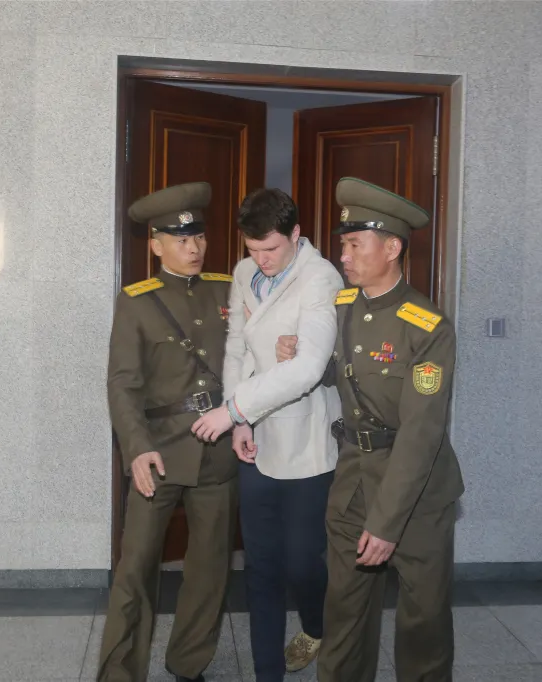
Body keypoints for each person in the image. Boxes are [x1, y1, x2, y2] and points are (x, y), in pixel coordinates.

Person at [275, 178, 464, 682]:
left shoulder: (427, 327)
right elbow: (341, 372)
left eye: (355, 244)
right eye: (344, 245)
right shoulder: (342, 307)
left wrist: (385, 524)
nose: (344, 256)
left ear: (392, 248)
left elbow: (421, 434)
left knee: (422, 621)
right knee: (344, 610)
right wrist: (301, 355)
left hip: (416, 496)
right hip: (353, 479)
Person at [190, 188, 344, 681]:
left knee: (302, 562)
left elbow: (308, 368)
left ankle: (316, 625)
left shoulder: (320, 277)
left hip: (305, 441)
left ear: (296, 234)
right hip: (255, 438)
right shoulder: (243, 272)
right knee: (261, 565)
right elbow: (236, 347)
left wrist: (233, 409)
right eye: (253, 249)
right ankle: (267, 673)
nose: (262, 260)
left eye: (272, 249)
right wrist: (241, 421)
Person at [98, 182, 237, 682]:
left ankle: (189, 662)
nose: (194, 248)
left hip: (218, 449)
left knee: (209, 567)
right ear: (156, 245)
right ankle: (120, 671)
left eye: (198, 236)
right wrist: (136, 449)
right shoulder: (137, 301)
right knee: (135, 567)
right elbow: (123, 384)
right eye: (181, 240)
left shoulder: (228, 288)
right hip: (158, 453)